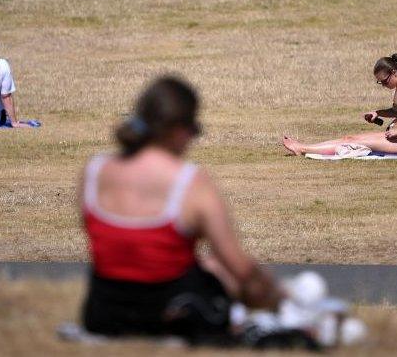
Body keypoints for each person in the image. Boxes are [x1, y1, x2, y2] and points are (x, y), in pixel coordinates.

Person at [80, 76, 283, 343]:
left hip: (103, 313)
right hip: (171, 314)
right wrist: (279, 296)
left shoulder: (95, 172)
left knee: (210, 265)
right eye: (193, 129)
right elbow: (240, 267)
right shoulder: (189, 182)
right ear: (178, 128)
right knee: (221, 269)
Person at [282, 53, 397, 156]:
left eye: (385, 81)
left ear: (394, 72)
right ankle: (303, 147)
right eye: (379, 82)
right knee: (349, 138)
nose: (383, 85)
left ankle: (301, 148)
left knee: (350, 142)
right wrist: (378, 113)